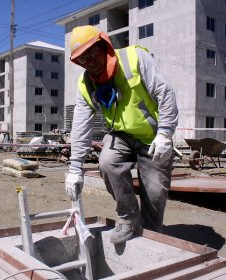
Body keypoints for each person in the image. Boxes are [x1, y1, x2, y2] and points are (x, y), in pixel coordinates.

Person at [65, 25, 178, 244]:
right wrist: (75, 167)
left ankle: (152, 235)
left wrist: (165, 133)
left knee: (155, 193)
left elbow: (165, 93)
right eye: (82, 60)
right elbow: (80, 126)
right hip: (121, 136)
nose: (89, 62)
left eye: (91, 54)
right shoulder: (85, 84)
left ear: (104, 45)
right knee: (107, 162)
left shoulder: (135, 58)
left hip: (152, 137)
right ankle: (129, 219)